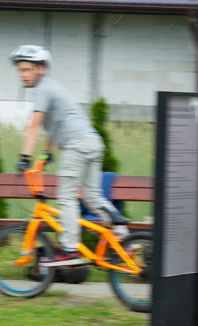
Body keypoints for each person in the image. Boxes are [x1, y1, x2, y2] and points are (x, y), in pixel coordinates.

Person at [11, 44, 124, 267]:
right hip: (92, 142)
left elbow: (33, 125)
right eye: (20, 70)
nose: (22, 75)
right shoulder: (50, 88)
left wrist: (24, 157)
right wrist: (47, 153)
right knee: (93, 197)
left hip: (78, 144)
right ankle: (123, 236)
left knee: (66, 197)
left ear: (41, 69)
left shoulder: (42, 89)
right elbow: (53, 124)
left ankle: (70, 249)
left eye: (27, 69)